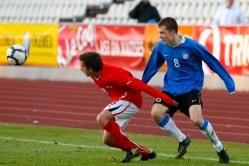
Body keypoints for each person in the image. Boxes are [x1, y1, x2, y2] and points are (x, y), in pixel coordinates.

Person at [142, 17, 235, 164]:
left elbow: (211, 61)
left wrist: (228, 82)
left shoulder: (192, 46)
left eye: (162, 33)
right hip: (171, 89)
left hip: (191, 88)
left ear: (173, 32)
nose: (160, 36)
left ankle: (219, 148)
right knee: (156, 113)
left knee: (197, 120)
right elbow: (153, 64)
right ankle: (182, 139)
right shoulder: (161, 46)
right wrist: (142, 84)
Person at [78, 51, 178, 163]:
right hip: (120, 101)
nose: (80, 69)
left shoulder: (115, 74)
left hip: (131, 100)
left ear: (90, 68)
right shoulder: (94, 73)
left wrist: (167, 99)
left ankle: (130, 148)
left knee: (101, 118)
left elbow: (142, 86)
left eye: (82, 66)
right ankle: (146, 152)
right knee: (108, 140)